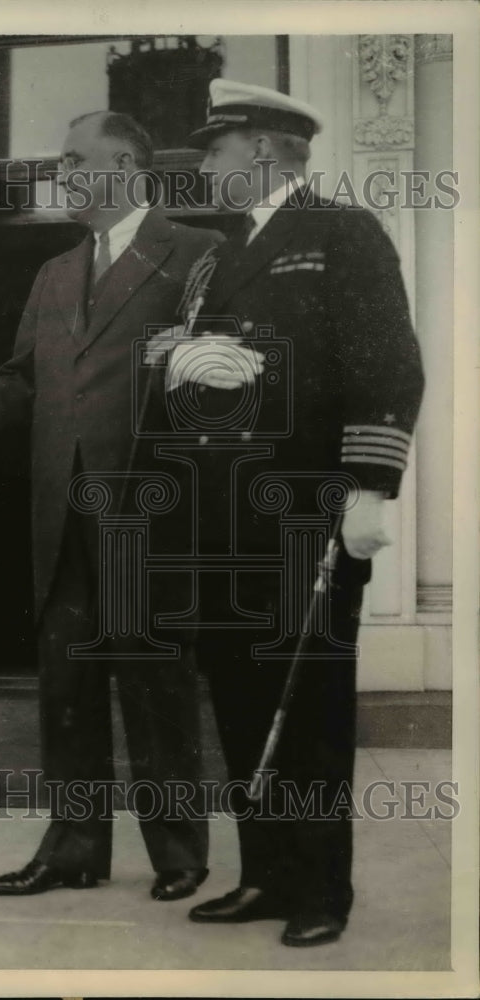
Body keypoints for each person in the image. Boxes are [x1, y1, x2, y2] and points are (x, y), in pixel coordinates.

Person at [152, 79, 425, 946]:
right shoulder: (216, 255)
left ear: (264, 150)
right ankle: (265, 874)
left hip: (308, 511)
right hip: (223, 517)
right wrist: (179, 363)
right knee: (239, 696)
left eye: (215, 149)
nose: (204, 166)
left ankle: (321, 890)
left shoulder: (342, 233)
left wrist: (371, 486)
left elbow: (389, 365)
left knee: (308, 704)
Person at [0, 111, 220, 901]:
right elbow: (23, 381)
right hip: (61, 516)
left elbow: (229, 381)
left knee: (156, 684)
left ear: (124, 166)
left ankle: (180, 852)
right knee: (65, 684)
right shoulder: (55, 272)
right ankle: (73, 849)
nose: (60, 174)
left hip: (151, 514)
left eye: (72, 159)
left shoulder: (197, 252)